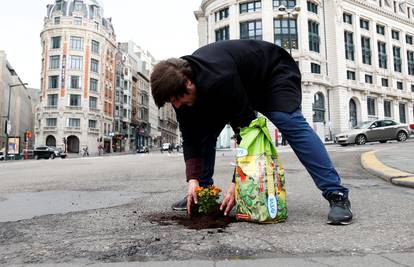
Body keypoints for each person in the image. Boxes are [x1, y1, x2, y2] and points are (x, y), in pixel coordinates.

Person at [150, 40, 353, 225]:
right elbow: (191, 137)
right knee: (203, 132)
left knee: (289, 121)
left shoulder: (219, 79)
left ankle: (336, 194)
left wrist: (237, 183)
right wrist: (192, 180)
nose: (176, 105)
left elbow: (247, 133)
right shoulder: (176, 89)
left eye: (176, 99)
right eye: (171, 102)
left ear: (188, 82)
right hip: (236, 85)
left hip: (271, 74)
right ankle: (202, 192)